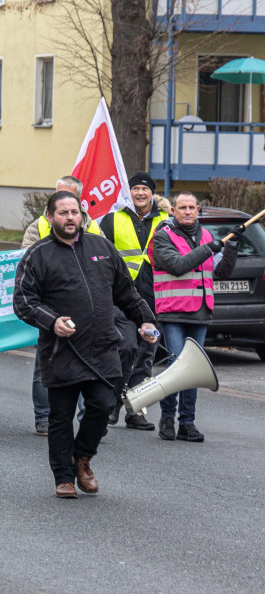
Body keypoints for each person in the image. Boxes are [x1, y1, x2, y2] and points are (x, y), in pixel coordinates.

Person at [14, 191, 158, 498]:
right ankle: (63, 477)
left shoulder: (103, 247)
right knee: (61, 417)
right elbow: (23, 301)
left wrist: (145, 320)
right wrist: (52, 322)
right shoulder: (38, 255)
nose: (70, 218)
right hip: (61, 351)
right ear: (50, 217)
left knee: (103, 405)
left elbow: (127, 293)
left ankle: (82, 458)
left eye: (74, 212)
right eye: (63, 213)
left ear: (82, 216)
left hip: (104, 346)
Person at [149, 192, 240, 443]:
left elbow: (221, 272)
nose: (187, 211)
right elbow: (177, 265)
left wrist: (231, 248)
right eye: (182, 207)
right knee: (178, 366)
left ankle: (187, 422)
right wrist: (208, 249)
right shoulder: (163, 236)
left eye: (191, 207)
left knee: (193, 369)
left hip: (200, 311)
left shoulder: (208, 236)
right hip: (174, 311)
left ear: (197, 209)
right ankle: (168, 417)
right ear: (174, 211)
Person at [22, 175, 105, 436]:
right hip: (51, 308)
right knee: (45, 364)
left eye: (71, 199)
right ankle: (44, 417)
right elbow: (26, 261)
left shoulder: (93, 228)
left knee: (88, 366)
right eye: (59, 195)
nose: (65, 204)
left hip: (86, 309)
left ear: (79, 201)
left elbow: (105, 261)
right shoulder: (38, 227)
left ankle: (88, 418)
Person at [98, 171, 171, 432]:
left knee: (146, 356)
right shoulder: (112, 218)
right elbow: (98, 251)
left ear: (152, 193)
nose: (140, 193)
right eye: (136, 189)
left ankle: (136, 411)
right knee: (125, 348)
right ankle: (114, 400)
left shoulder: (167, 220)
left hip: (155, 297)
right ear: (129, 192)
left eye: (145, 189)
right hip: (120, 297)